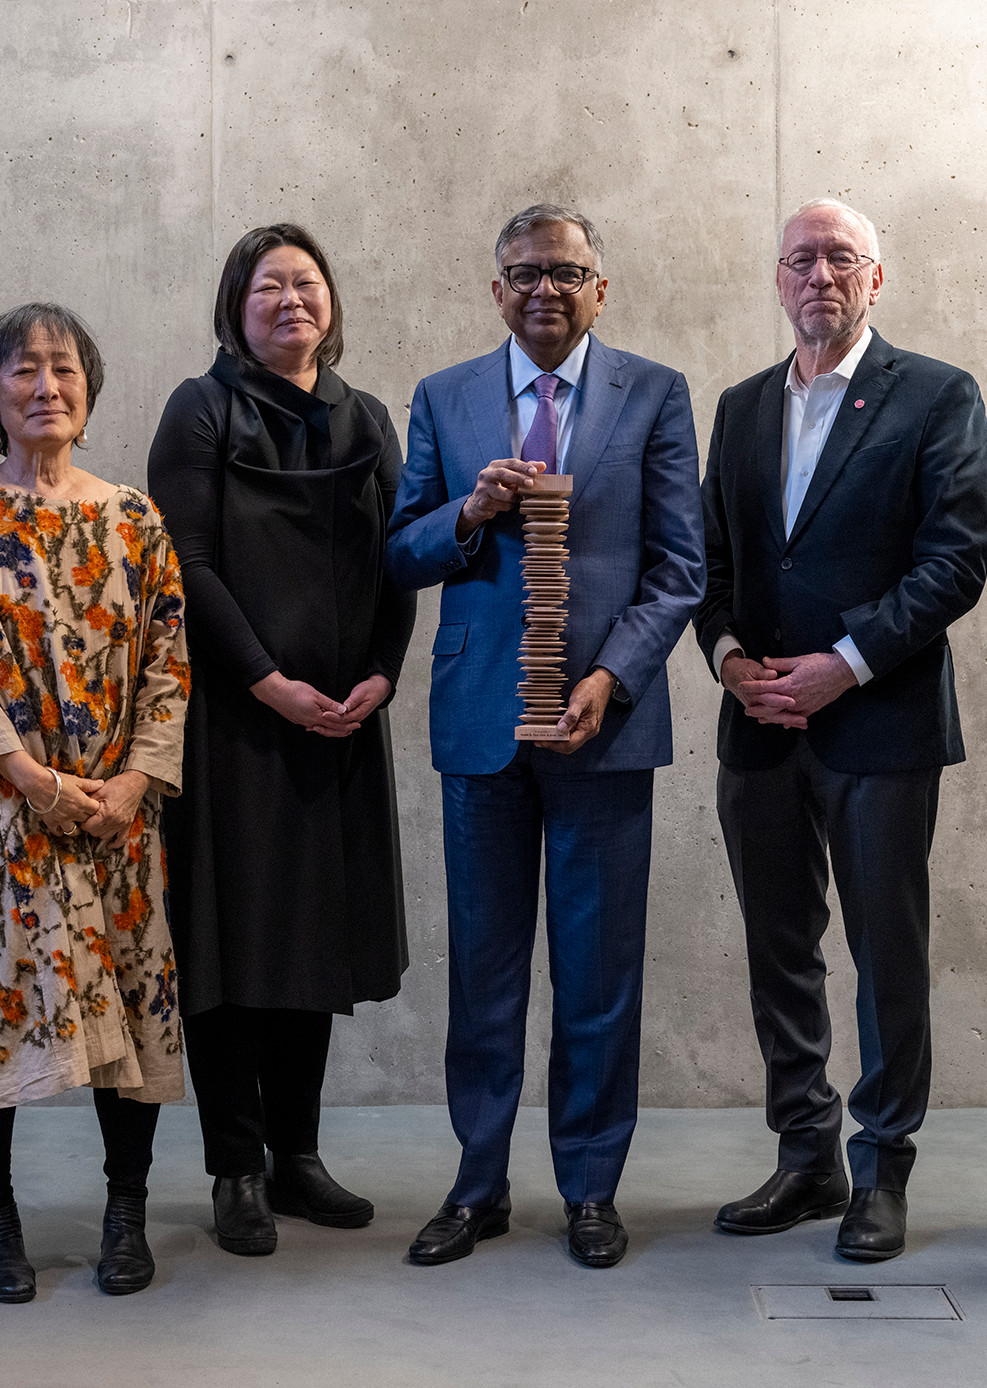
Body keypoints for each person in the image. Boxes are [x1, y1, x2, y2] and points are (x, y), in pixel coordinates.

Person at [386, 203, 704, 1270]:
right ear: (495, 288)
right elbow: (402, 550)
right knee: (484, 972)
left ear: (599, 288)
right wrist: (468, 514)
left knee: (599, 972)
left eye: (566, 271)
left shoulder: (655, 394)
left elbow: (679, 569)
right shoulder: (447, 397)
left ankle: (589, 1187)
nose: (543, 289)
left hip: (601, 730)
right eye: (523, 272)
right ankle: (477, 1186)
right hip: (483, 723)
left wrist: (614, 677)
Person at [696, 198, 987, 1263]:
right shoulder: (738, 408)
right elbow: (712, 565)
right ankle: (806, 1154)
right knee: (781, 954)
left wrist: (846, 663)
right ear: (777, 280)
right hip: (761, 727)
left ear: (877, 277)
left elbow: (954, 560)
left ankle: (882, 1169)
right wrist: (731, 660)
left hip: (880, 723)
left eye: (840, 258)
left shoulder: (936, 395)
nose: (819, 274)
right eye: (801, 259)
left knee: (885, 953)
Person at [0, 303, 190, 1302]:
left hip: (119, 819)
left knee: (135, 1012)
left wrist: (131, 782)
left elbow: (167, 662)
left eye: (64, 368)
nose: (45, 385)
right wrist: (35, 781)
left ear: (89, 387)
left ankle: (127, 1211)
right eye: (23, 370)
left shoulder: (135, 518)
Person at [147, 224, 415, 1257]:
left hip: (343, 718)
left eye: (308, 283)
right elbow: (188, 562)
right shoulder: (201, 408)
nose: (293, 300)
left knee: (316, 936)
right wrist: (268, 681)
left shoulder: (369, 416)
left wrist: (382, 674)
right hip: (232, 717)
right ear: (236, 305)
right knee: (229, 943)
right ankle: (236, 1166)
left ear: (332, 303)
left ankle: (299, 1156)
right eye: (270, 287)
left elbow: (405, 555)